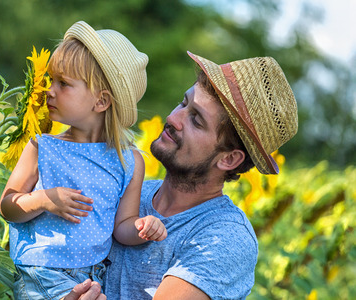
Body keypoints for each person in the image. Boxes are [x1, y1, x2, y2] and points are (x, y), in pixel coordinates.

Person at [64, 51, 298, 299]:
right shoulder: (128, 191)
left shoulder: (225, 236)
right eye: (183, 104)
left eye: (196, 120)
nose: (173, 118)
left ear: (229, 158)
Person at [0, 21, 167, 300]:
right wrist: (43, 200)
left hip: (93, 276)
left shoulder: (129, 162)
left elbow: (122, 227)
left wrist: (143, 228)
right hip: (41, 274)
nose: (49, 90)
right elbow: (8, 205)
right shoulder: (41, 146)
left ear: (101, 102)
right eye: (51, 80)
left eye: (63, 84)